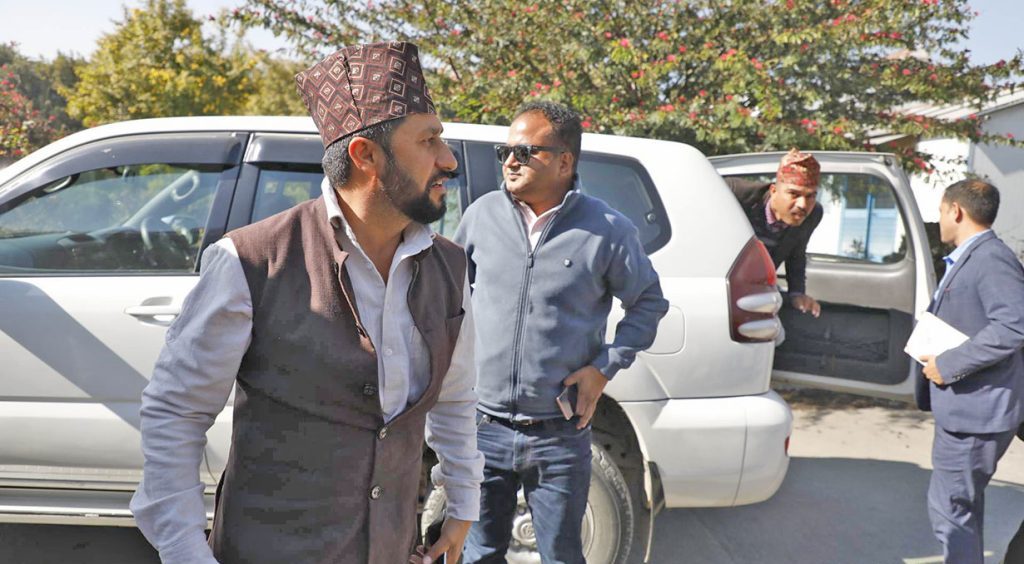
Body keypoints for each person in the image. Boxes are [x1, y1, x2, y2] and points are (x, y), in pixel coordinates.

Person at [129, 41, 484, 564]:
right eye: (429, 140)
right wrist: (184, 549)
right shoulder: (251, 261)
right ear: (365, 156)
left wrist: (462, 505)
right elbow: (176, 413)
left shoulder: (449, 267)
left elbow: (453, 398)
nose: (448, 159)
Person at [453, 101, 668, 563]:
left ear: (565, 161)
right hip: (483, 427)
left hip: (559, 435)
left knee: (562, 556)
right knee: (478, 553)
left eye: (525, 152)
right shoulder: (481, 216)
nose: (510, 162)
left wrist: (605, 367)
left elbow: (649, 302)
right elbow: (447, 299)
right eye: (505, 152)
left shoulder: (608, 230)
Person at [914, 179, 1024, 564]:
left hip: (976, 413)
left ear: (956, 211)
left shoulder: (990, 258)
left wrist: (948, 364)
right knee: (958, 508)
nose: (939, 219)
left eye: (941, 211)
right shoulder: (973, 255)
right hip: (968, 409)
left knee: (951, 511)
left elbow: (1013, 326)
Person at [725, 149, 824, 320]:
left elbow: (797, 252)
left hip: (759, 293)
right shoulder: (734, 194)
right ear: (773, 190)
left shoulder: (813, 214)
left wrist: (797, 293)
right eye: (794, 194)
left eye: (810, 196)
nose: (803, 204)